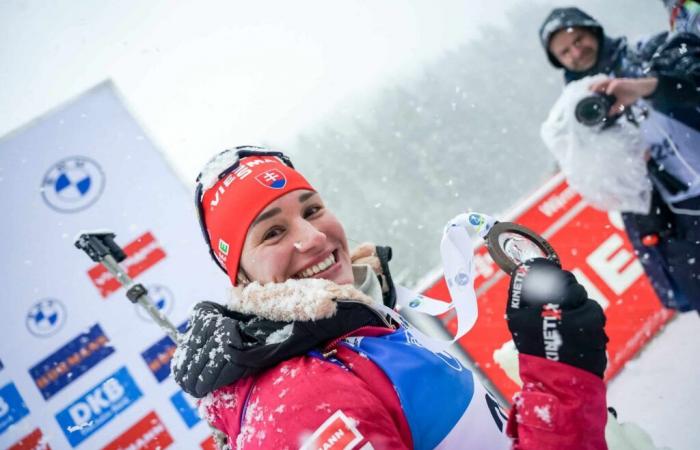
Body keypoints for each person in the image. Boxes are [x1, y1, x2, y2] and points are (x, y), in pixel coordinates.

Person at [171, 146, 609, 450]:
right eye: (273, 232)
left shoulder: (351, 319)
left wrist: (553, 386)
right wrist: (559, 380)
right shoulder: (302, 400)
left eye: (311, 209)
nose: (313, 236)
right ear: (242, 276)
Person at [539, 7, 700, 313]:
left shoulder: (648, 50)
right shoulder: (574, 108)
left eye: (579, 39)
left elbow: (694, 76)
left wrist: (646, 88)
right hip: (674, 219)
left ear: (594, 31)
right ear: (558, 61)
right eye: (564, 51)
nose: (576, 52)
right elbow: (593, 177)